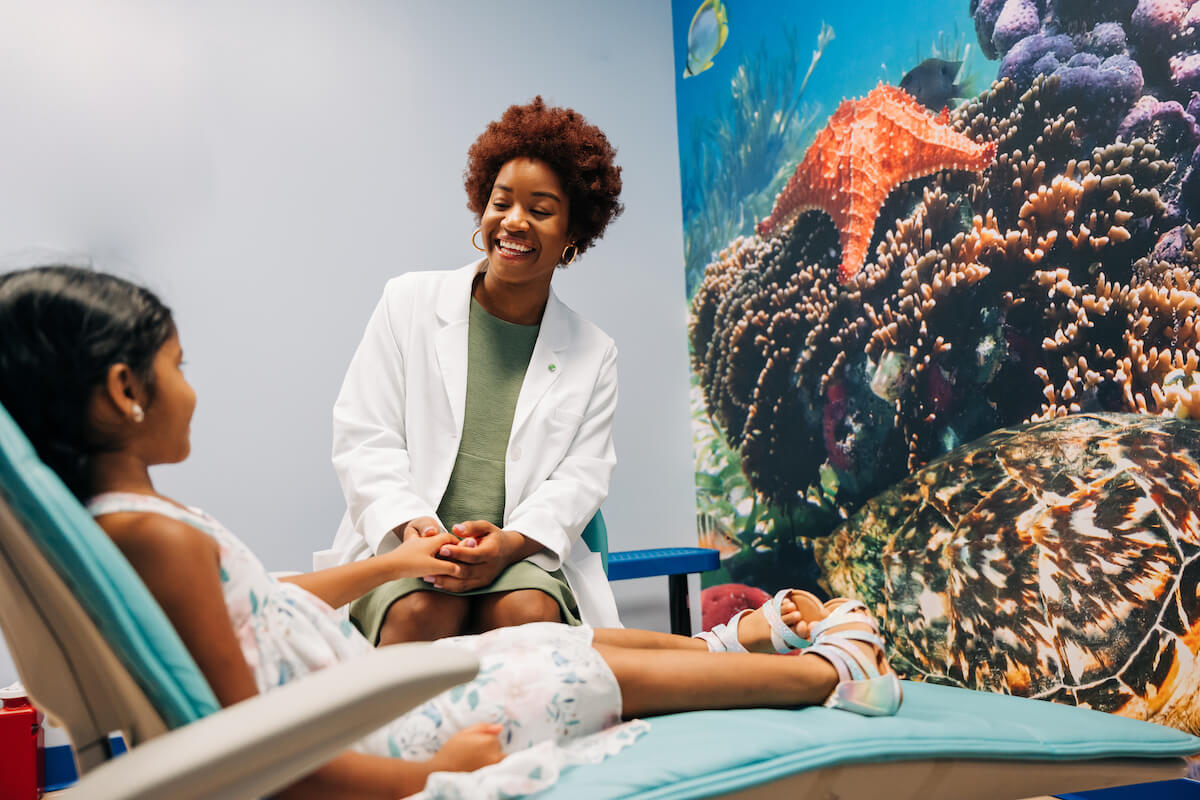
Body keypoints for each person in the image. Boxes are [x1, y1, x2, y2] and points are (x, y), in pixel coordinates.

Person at [0, 266, 901, 799]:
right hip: (372, 729)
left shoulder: (138, 525)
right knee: (569, 659)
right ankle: (823, 674)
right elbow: (264, 751)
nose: (190, 385)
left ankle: (733, 641)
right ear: (125, 391)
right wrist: (432, 779)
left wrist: (393, 561)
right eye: (177, 366)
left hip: (363, 694)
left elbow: (260, 607)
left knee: (553, 637)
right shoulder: (156, 538)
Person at [321, 97, 628, 645]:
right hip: (407, 540)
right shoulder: (407, 302)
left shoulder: (594, 352)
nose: (513, 221)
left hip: (518, 554)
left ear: (572, 233)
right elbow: (365, 437)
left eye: (540, 209)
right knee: (421, 617)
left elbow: (581, 478)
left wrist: (509, 545)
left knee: (528, 619)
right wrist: (415, 528)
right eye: (501, 202)